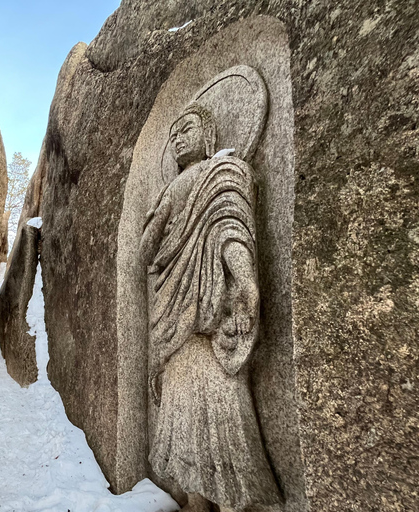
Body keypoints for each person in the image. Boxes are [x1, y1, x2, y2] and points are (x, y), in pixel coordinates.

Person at [139, 102, 281, 512]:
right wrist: (155, 232)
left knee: (223, 412)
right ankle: (196, 502)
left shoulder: (223, 174)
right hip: (174, 321)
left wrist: (246, 280)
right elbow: (146, 251)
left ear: (209, 135)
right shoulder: (172, 188)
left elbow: (230, 229)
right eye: (172, 136)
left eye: (186, 129)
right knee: (181, 411)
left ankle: (234, 502)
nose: (178, 139)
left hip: (213, 322)